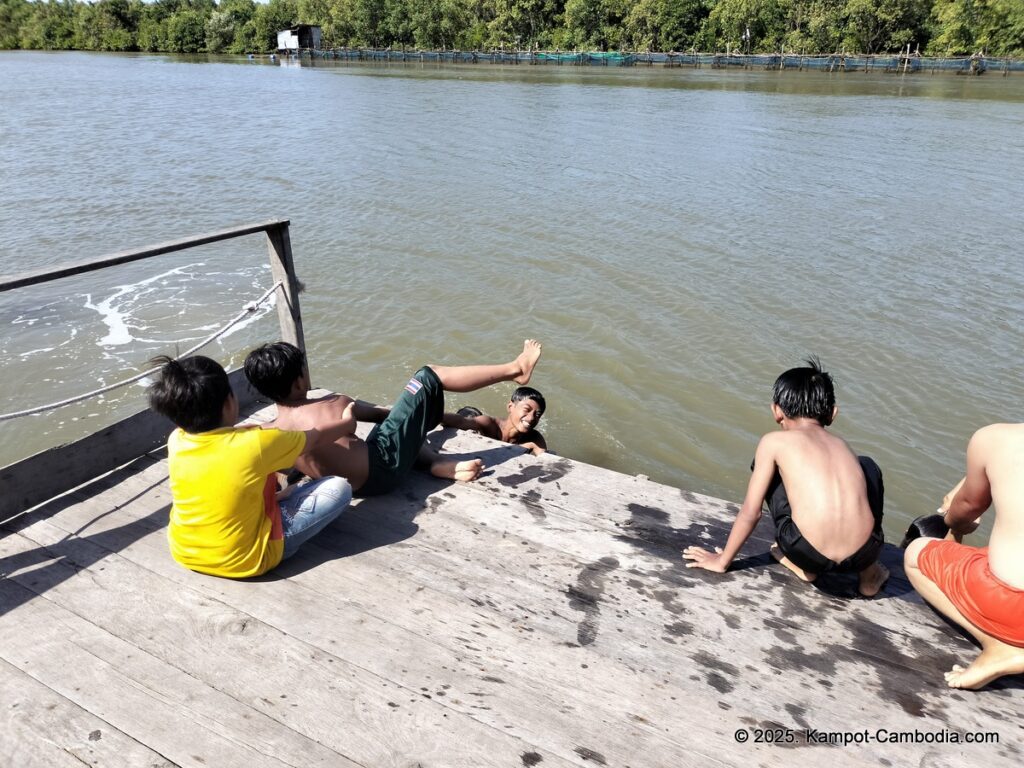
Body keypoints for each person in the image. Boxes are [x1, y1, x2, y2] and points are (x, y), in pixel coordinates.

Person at [682, 358, 889, 598]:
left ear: (777, 410)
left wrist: (722, 561)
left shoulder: (774, 442)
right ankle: (869, 575)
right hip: (863, 554)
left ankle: (804, 567)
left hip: (806, 552)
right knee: (868, 466)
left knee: (769, 468)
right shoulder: (842, 445)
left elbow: (752, 511)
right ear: (832, 414)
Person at [243, 339, 543, 496]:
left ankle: (436, 464)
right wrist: (422, 410)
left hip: (357, 489)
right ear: (298, 382)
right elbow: (382, 415)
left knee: (388, 435)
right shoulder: (333, 403)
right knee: (429, 375)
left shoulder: (269, 431)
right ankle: (515, 370)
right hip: (385, 471)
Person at [147, 355, 355, 579]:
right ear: (229, 403)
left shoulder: (177, 439)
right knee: (338, 488)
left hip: (186, 552)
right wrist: (348, 422)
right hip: (248, 559)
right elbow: (315, 439)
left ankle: (275, 500)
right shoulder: (257, 443)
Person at [903, 424, 1024, 690]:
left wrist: (954, 519)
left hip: (1015, 607)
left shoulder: (996, 438)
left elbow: (966, 509)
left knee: (915, 554)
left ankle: (1001, 648)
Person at [441, 386, 548, 456]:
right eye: (527, 410)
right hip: (472, 422)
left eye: (537, 414)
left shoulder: (534, 439)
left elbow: (546, 461)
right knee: (470, 421)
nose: (531, 418)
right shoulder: (489, 425)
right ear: (511, 407)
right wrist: (432, 414)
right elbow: (461, 422)